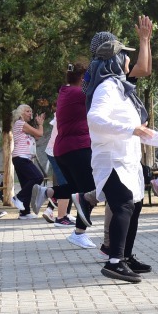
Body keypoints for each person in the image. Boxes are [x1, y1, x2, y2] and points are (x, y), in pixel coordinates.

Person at [86, 27, 158, 282]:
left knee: (135, 205)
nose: (129, 59)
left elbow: (137, 130)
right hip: (112, 159)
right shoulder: (107, 87)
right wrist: (131, 128)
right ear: (115, 59)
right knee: (124, 204)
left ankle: (124, 257)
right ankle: (114, 261)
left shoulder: (121, 88)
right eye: (125, 54)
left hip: (127, 159)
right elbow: (94, 119)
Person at [51, 62, 97, 247]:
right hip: (77, 147)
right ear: (83, 78)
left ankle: (47, 192)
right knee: (90, 191)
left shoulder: (66, 92)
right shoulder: (79, 94)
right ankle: (79, 233)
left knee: (77, 187)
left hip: (64, 149)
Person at [10, 103, 46, 219]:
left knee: (26, 184)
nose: (30, 113)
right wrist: (40, 124)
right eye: (27, 111)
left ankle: (24, 212)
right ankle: (18, 198)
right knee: (38, 177)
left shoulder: (23, 127)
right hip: (21, 157)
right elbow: (40, 133)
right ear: (20, 113)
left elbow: (37, 137)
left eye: (30, 111)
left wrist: (38, 125)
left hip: (22, 158)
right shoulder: (20, 123)